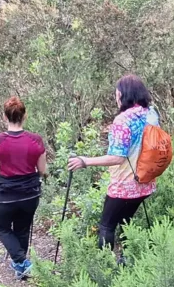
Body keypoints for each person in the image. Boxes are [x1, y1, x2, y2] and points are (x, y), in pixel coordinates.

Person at [67, 74, 159, 253]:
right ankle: (128, 261)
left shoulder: (123, 120)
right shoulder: (151, 114)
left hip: (124, 185)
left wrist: (84, 161)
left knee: (107, 226)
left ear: (123, 95)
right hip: (146, 181)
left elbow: (117, 157)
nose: (116, 98)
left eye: (117, 94)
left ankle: (106, 267)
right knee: (126, 223)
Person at [0, 97, 48, 279]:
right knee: (22, 229)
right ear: (25, 116)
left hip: (5, 196)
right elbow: (43, 171)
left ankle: (23, 263)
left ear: (4, 117)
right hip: (30, 194)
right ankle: (21, 266)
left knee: (2, 228)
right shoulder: (36, 140)